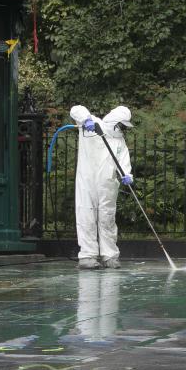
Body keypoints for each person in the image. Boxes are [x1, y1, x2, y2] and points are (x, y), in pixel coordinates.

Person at [69, 105, 134, 270]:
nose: (122, 128)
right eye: (121, 124)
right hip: (87, 180)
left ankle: (109, 255)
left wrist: (127, 175)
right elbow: (76, 109)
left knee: (107, 218)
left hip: (108, 184)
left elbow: (123, 161)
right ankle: (88, 255)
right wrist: (86, 119)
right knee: (86, 214)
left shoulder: (119, 141)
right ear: (115, 120)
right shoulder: (92, 126)